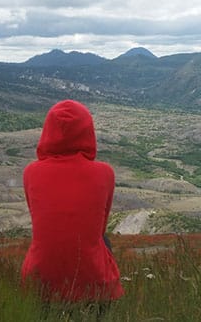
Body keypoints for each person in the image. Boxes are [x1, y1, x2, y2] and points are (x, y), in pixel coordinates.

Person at [21, 99, 124, 302]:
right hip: (95, 290)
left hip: (40, 288)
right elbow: (99, 228)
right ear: (87, 131)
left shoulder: (31, 172)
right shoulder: (105, 173)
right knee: (103, 239)